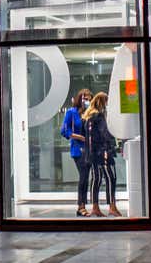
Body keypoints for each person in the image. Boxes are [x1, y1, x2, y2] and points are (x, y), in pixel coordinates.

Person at [82, 92, 122, 217]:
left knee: (96, 179)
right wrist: (111, 146)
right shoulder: (99, 117)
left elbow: (88, 138)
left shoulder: (88, 117)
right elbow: (105, 134)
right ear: (103, 103)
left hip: (92, 154)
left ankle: (95, 207)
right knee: (111, 178)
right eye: (107, 102)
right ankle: (112, 206)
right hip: (103, 152)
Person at [60, 88, 92, 217]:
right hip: (78, 149)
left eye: (89, 99)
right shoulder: (72, 112)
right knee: (83, 176)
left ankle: (83, 205)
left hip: (89, 149)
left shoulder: (89, 113)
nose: (87, 101)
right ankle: (81, 206)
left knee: (86, 178)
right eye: (85, 98)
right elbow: (64, 130)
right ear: (80, 99)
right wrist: (78, 137)